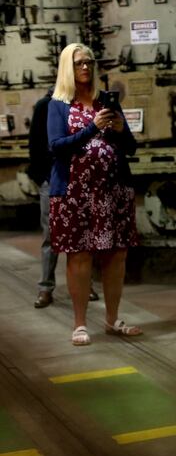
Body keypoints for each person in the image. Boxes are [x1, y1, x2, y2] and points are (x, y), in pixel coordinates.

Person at [47, 42, 142, 345]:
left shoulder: (106, 101)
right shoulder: (58, 104)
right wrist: (91, 127)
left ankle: (113, 320)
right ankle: (79, 324)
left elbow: (130, 148)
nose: (85, 67)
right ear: (67, 68)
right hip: (74, 194)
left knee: (116, 255)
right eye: (78, 63)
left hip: (112, 192)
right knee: (80, 256)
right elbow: (57, 146)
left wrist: (117, 129)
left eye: (89, 62)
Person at [28, 87, 99, 308]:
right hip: (53, 180)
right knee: (51, 235)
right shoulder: (46, 105)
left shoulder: (82, 104)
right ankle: (45, 288)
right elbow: (35, 146)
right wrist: (43, 178)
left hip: (80, 178)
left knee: (81, 234)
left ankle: (84, 285)